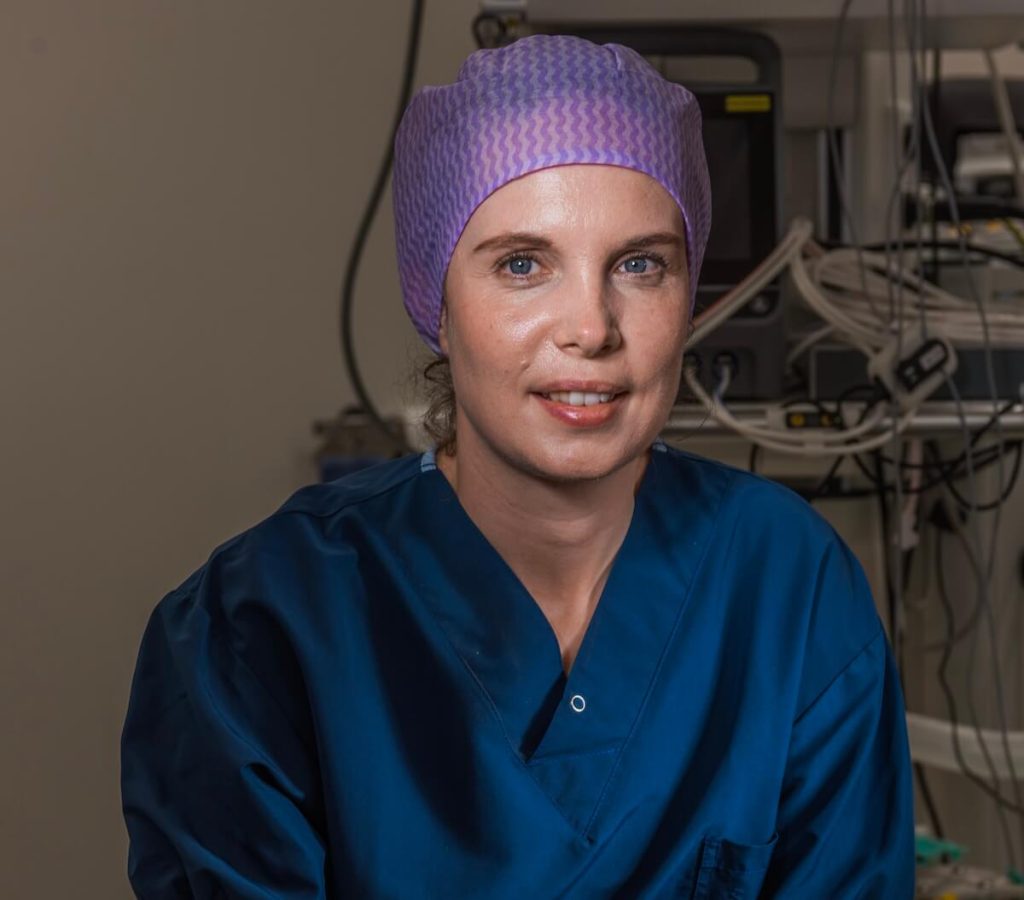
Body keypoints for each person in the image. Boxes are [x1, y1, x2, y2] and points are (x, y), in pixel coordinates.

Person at [121, 34, 915, 898]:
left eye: (640, 265)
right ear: (437, 301)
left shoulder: (787, 587)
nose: (591, 327)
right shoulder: (261, 624)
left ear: (689, 296)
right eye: (523, 265)